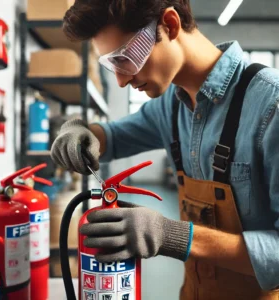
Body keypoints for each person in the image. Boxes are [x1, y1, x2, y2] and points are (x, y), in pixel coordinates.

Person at [50, 1, 279, 299]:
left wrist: (170, 235)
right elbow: (111, 137)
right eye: (112, 65)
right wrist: (79, 132)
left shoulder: (270, 106)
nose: (121, 80)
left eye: (125, 58)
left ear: (169, 25)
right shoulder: (169, 108)